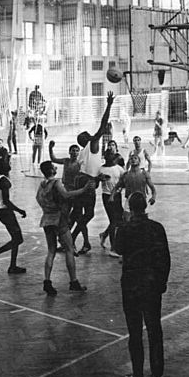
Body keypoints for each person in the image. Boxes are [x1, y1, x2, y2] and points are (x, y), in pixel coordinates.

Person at [114, 192, 171, 377]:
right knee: (155, 329)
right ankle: (158, 373)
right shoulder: (157, 228)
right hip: (152, 283)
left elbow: (118, 249)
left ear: (130, 208)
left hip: (131, 284)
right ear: (145, 206)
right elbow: (165, 258)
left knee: (135, 331)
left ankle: (137, 375)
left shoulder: (125, 228)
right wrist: (162, 282)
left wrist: (122, 224)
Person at [36, 160, 94, 296]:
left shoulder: (42, 184)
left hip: (46, 219)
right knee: (69, 249)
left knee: (51, 250)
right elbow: (66, 195)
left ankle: (47, 281)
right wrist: (83, 190)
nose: (56, 167)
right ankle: (73, 281)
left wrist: (48, 208)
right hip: (58, 219)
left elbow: (38, 198)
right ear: (51, 170)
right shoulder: (56, 183)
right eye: (54, 166)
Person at [72, 91, 115, 255]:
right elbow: (103, 125)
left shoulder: (84, 152)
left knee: (83, 215)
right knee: (86, 214)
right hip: (87, 183)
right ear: (86, 139)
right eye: (86, 134)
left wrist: (98, 176)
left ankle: (80, 240)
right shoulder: (92, 144)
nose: (89, 133)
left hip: (83, 181)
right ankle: (74, 238)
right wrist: (109, 105)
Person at [0, 159, 27, 274]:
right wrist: (20, 210)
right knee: (18, 239)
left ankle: (12, 266)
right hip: (7, 213)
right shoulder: (5, 181)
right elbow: (7, 201)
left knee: (16, 239)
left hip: (3, 212)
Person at [110, 153, 156, 222]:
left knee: (141, 220)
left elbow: (153, 189)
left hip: (141, 200)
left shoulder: (144, 174)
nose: (133, 160)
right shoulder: (125, 175)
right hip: (129, 200)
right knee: (126, 219)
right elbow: (116, 187)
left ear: (139, 161)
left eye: (135, 158)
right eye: (131, 159)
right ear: (129, 161)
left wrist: (153, 197)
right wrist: (112, 196)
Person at [48, 141, 81, 235]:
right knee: (64, 213)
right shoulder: (66, 161)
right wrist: (50, 148)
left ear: (79, 153)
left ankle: (68, 233)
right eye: (73, 151)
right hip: (65, 190)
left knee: (76, 215)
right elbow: (53, 159)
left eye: (76, 151)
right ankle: (63, 234)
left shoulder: (80, 164)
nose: (74, 152)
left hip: (76, 191)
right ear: (69, 152)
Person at [98, 149, 125, 257]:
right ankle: (113, 247)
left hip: (117, 196)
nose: (110, 156)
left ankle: (104, 235)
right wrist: (98, 179)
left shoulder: (118, 168)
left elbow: (124, 180)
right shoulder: (101, 169)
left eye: (111, 155)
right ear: (104, 156)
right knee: (113, 220)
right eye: (108, 155)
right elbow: (95, 183)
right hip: (107, 196)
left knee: (119, 220)